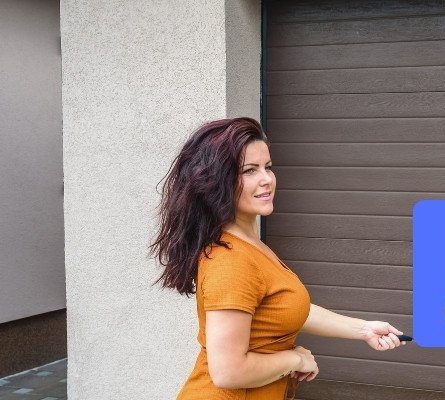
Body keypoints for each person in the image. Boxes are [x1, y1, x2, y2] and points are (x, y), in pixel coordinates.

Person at [150, 117, 406, 399]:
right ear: (216, 181)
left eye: (268, 167)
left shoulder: (250, 245)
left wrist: (364, 329)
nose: (266, 179)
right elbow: (228, 372)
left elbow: (286, 309)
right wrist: (295, 360)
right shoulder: (230, 261)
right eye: (249, 171)